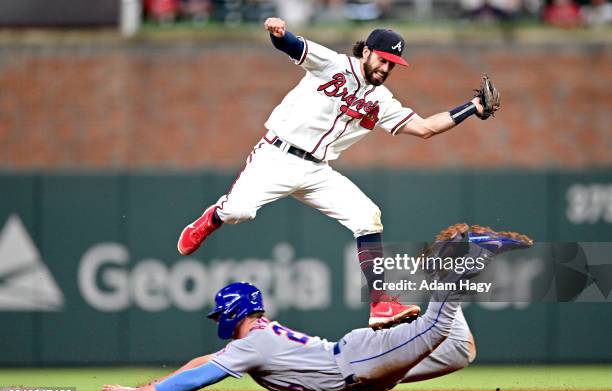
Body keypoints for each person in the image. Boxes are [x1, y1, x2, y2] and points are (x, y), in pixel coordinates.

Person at [177, 16, 496, 330]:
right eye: (382, 60)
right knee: (238, 211)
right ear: (367, 51)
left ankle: (380, 303)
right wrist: (278, 34)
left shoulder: (382, 100)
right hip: (277, 155)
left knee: (367, 215)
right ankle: (213, 216)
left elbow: (425, 128)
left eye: (392, 65)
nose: (385, 69)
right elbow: (293, 46)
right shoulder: (332, 64)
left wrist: (470, 108)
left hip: (318, 171)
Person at [103, 224, 532, 391]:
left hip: (357, 362)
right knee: (459, 350)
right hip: (362, 371)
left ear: (235, 314)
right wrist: (160, 381)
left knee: (437, 324)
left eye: (222, 317)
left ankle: (464, 256)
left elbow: (207, 373)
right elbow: (209, 362)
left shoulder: (254, 342)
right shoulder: (256, 341)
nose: (221, 326)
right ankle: (449, 262)